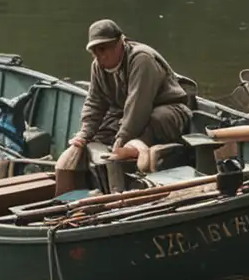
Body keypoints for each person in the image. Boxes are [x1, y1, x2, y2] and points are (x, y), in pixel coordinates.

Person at [55, 20, 195, 176]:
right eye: (95, 51)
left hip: (169, 110)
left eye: (103, 49)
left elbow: (138, 105)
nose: (100, 56)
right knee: (98, 133)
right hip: (126, 114)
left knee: (158, 118)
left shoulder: (141, 59)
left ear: (120, 43)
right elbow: (95, 103)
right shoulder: (97, 66)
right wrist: (84, 134)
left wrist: (121, 141)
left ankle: (139, 152)